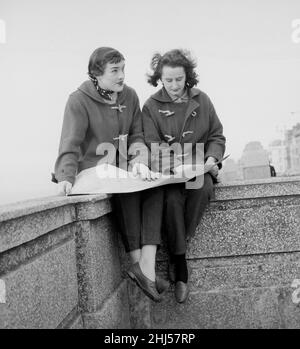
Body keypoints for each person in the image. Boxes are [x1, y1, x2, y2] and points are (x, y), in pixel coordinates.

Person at [52, 47, 169, 302]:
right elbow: (69, 143)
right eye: (115, 71)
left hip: (120, 167)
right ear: (96, 74)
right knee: (126, 188)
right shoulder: (78, 100)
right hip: (92, 170)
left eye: (123, 69)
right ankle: (141, 267)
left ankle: (145, 267)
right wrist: (65, 178)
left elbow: (137, 135)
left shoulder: (130, 95)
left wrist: (140, 161)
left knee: (156, 184)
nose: (122, 76)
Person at [142, 49, 226, 303]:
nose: (174, 85)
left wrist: (212, 159)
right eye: (168, 80)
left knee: (203, 189)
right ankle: (181, 267)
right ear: (160, 78)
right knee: (172, 199)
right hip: (168, 173)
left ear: (187, 76)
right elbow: (151, 142)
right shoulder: (151, 106)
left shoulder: (203, 100)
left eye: (179, 79)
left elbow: (216, 135)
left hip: (199, 169)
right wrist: (171, 163)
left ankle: (177, 248)